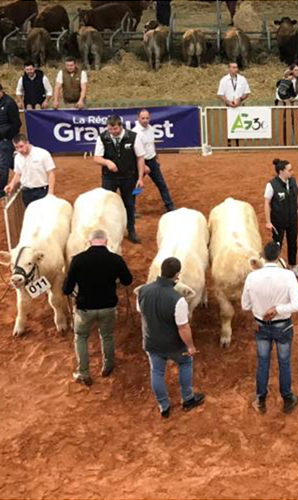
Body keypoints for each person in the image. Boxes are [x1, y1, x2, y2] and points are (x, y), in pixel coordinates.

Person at [63, 229, 133, 387]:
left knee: (81, 337)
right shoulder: (116, 259)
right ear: (106, 241)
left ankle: (84, 372)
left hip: (84, 308)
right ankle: (108, 366)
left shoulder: (78, 260)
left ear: (89, 241)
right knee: (107, 336)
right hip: (108, 307)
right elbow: (127, 280)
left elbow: (67, 289)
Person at [138, 257, 205, 418]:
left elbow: (142, 312)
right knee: (186, 363)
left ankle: (164, 405)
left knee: (157, 372)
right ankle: (188, 398)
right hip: (174, 344)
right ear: (177, 275)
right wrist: (190, 346)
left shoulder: (143, 291)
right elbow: (183, 327)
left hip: (152, 342)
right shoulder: (178, 300)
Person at [241, 241, 298, 414]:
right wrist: (278, 309)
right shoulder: (288, 276)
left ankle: (260, 399)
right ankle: (288, 398)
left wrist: (261, 310)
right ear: (279, 256)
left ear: (262, 256)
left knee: (262, 363)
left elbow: (245, 305)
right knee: (284, 363)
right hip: (283, 326)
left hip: (261, 327)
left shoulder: (252, 277)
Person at [94, 115, 146, 244]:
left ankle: (131, 230)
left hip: (129, 178)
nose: (113, 132)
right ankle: (107, 232)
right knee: (106, 206)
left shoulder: (134, 137)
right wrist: (107, 162)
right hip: (109, 178)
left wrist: (140, 178)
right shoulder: (102, 137)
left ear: (120, 126)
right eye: (110, 129)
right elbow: (96, 158)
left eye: (115, 129)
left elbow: (140, 158)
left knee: (130, 205)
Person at [264, 158, 298, 278]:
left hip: (292, 219)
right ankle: (275, 267)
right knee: (277, 244)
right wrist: (268, 222)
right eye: (289, 170)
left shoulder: (293, 181)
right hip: (278, 221)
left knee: (293, 243)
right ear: (281, 171)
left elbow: (297, 198)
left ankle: (293, 266)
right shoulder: (271, 185)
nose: (292, 172)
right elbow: (267, 203)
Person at [132, 109, 176, 212]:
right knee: (136, 186)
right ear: (138, 118)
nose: (145, 120)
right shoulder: (135, 133)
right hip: (140, 163)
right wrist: (143, 166)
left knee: (161, 184)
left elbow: (151, 145)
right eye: (143, 118)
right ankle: (131, 210)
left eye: (147, 118)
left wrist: (155, 157)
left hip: (152, 161)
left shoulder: (151, 129)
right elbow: (133, 152)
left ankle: (170, 207)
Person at [4, 134, 55, 207]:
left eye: (21, 146)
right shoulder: (17, 157)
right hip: (26, 192)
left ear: (27, 143)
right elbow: (18, 174)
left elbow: (51, 174)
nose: (19, 150)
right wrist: (11, 184)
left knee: (44, 216)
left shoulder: (43, 154)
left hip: (42, 192)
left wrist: (50, 193)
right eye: (16, 147)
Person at [0, 83, 21, 200]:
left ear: (1, 91)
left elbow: (17, 123)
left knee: (3, 165)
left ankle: (1, 192)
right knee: (11, 162)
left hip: (7, 140)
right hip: (1, 139)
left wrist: (8, 137)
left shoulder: (9, 103)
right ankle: (25, 175)